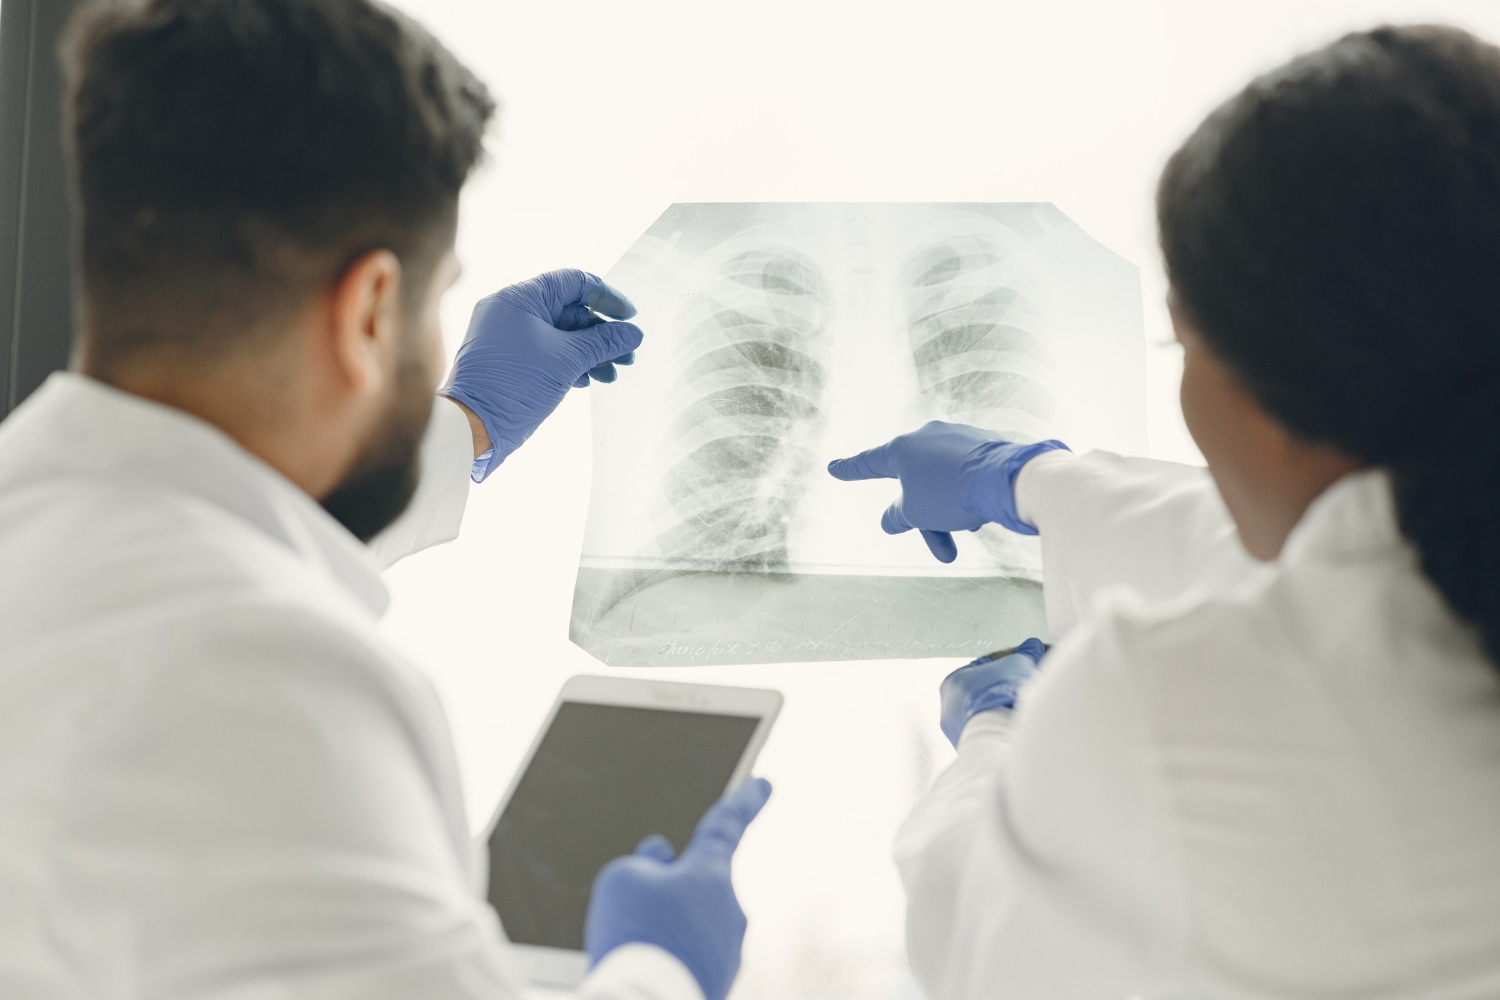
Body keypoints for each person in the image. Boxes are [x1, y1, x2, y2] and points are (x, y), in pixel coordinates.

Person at [0, 1, 767, 998]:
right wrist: (658, 968)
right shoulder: (272, 679)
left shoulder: (48, 523)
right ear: (367, 308)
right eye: (434, 296)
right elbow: (224, 609)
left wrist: (463, 427)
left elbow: (195, 550)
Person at [830, 23, 1500, 999]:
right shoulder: (1445, 555)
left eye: (1180, 345)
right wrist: (1033, 481)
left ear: (1275, 400)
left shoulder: (1156, 705)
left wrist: (995, 736)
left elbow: (970, 928)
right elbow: (1347, 572)